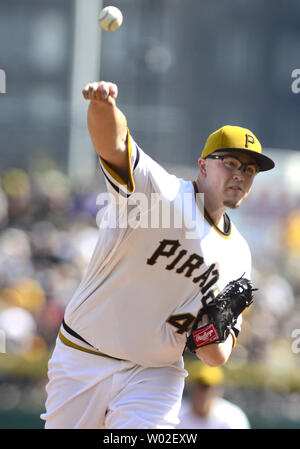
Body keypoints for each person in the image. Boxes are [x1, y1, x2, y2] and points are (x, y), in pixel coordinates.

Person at [41, 81, 275, 429]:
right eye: (231, 163)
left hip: (155, 374)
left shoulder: (238, 255)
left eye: (249, 170)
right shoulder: (162, 196)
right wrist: (104, 106)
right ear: (203, 165)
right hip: (85, 353)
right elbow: (116, 144)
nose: (240, 175)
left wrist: (211, 332)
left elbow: (216, 356)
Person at [176, 360, 250, 429]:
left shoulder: (233, 418)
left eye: (207, 387)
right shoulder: (175, 413)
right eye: (199, 386)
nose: (203, 393)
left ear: (219, 390)